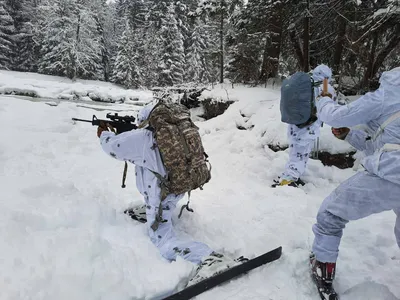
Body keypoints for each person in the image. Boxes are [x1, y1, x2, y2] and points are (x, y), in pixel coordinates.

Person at [97, 103, 242, 285]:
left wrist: (104, 133)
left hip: (161, 193)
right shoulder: (175, 133)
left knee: (161, 238)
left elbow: (112, 147)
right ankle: (156, 211)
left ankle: (208, 259)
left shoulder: (144, 139)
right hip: (178, 186)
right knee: (160, 198)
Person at [310, 67, 400, 298]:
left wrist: (323, 97)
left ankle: (324, 269)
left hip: (394, 175)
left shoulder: (388, 93)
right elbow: (385, 147)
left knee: (330, 214)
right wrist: (349, 135)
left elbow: (333, 116)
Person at [274, 64, 337, 187]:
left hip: (295, 122)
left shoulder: (307, 81)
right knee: (301, 152)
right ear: (327, 75)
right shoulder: (324, 86)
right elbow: (330, 107)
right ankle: (289, 178)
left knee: (295, 150)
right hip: (309, 125)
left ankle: (289, 174)